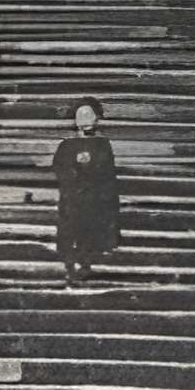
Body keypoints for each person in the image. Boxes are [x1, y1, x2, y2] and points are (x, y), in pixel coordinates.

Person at [51, 97, 122, 285]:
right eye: (81, 115)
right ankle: (69, 265)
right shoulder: (66, 145)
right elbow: (60, 167)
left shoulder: (102, 144)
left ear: (96, 119)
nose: (85, 119)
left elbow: (107, 170)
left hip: (93, 196)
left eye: (89, 115)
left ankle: (85, 264)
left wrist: (93, 175)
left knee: (88, 230)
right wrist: (73, 173)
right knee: (69, 230)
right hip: (72, 196)